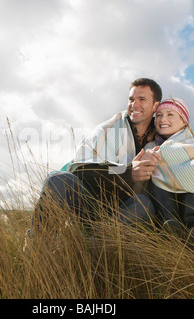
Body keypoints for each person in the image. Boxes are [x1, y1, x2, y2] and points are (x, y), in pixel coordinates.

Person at [31, 78, 163, 235]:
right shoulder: (107, 130)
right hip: (91, 206)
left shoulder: (161, 136)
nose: (134, 105)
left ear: (156, 105)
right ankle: (37, 244)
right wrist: (127, 172)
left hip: (124, 211)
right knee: (57, 179)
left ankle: (94, 241)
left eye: (142, 99)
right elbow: (82, 171)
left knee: (143, 205)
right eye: (131, 99)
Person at [137, 97, 194, 244]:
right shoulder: (150, 146)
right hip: (164, 199)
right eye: (159, 115)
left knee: (193, 181)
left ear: (183, 121)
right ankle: (170, 225)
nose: (163, 119)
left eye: (170, 114)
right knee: (156, 171)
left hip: (191, 198)